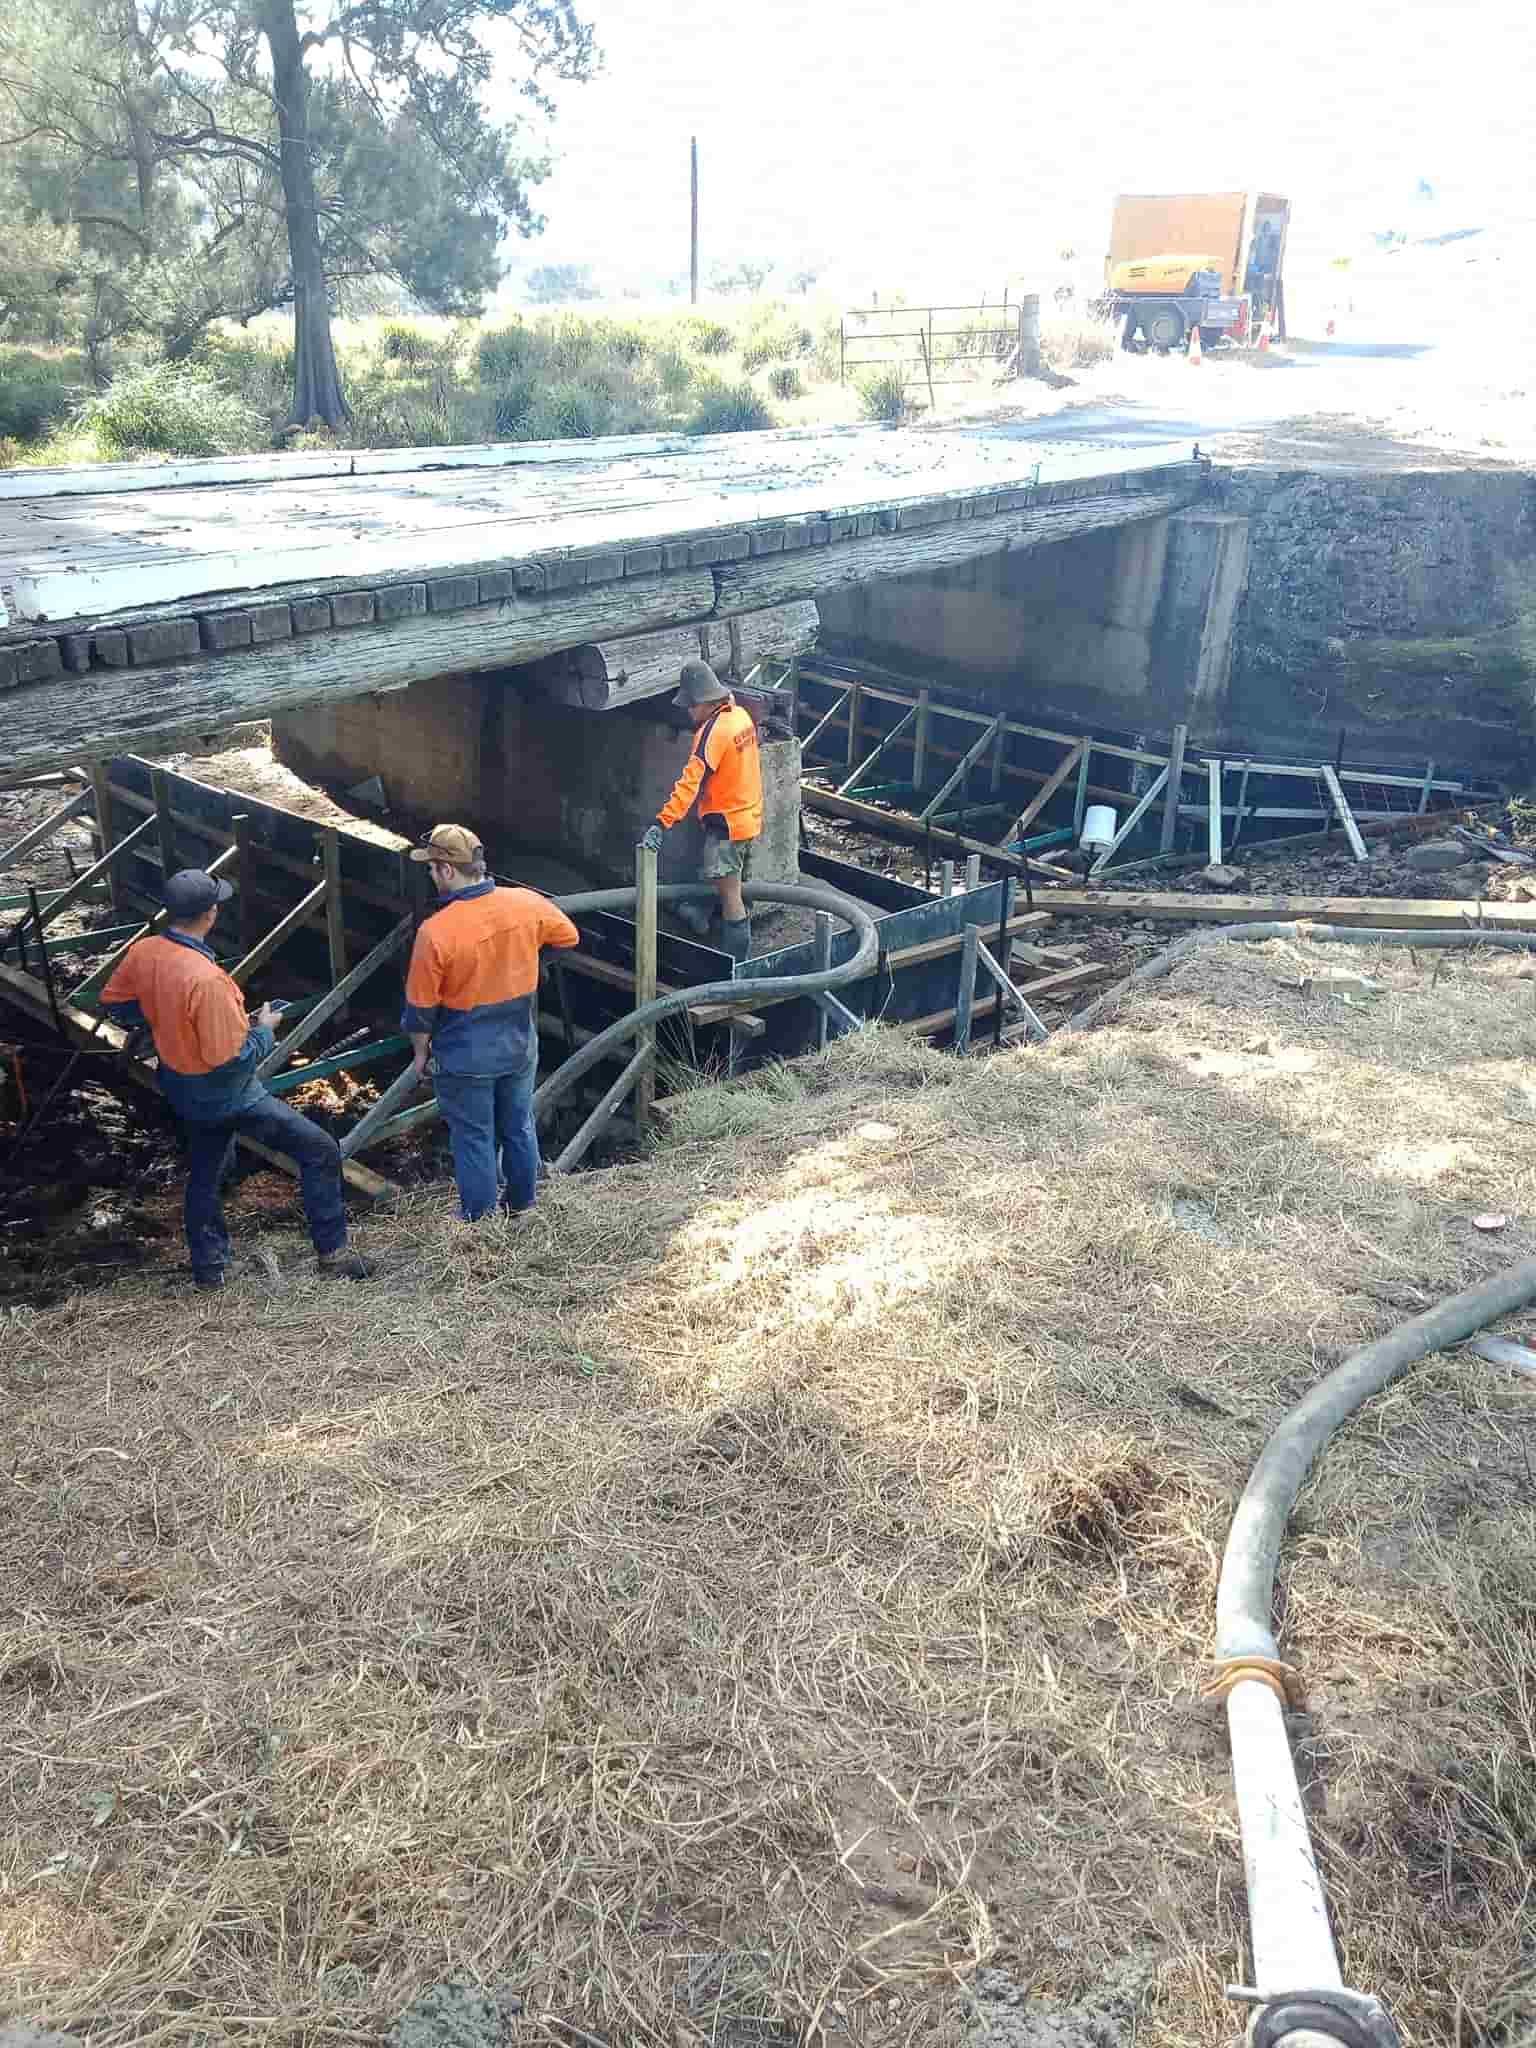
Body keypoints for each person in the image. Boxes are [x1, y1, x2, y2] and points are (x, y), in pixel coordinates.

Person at [101, 868, 375, 1290]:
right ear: (210, 914)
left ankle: (210, 1269)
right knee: (320, 1150)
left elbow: (115, 1004)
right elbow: (231, 1058)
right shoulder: (207, 979)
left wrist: (165, 1022)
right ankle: (333, 1252)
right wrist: (265, 1027)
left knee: (207, 1173)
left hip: (180, 1086)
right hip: (227, 1094)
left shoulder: (145, 952)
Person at [402, 824, 580, 1221]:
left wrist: (419, 1054)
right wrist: (533, 958)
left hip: (465, 1054)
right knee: (518, 1126)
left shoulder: (434, 933)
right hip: (518, 1042)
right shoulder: (525, 903)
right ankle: (522, 1206)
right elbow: (568, 936)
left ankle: (479, 1218)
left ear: (448, 871)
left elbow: (419, 1008)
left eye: (432, 868)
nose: (431, 875)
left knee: (474, 1137)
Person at [640, 660, 763, 962]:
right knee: (728, 881)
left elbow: (688, 784)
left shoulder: (711, 734)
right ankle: (700, 915)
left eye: (691, 705)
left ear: (705, 701)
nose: (689, 712)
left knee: (731, 897)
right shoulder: (740, 717)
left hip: (726, 828)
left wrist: (661, 822)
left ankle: (734, 970)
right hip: (748, 820)